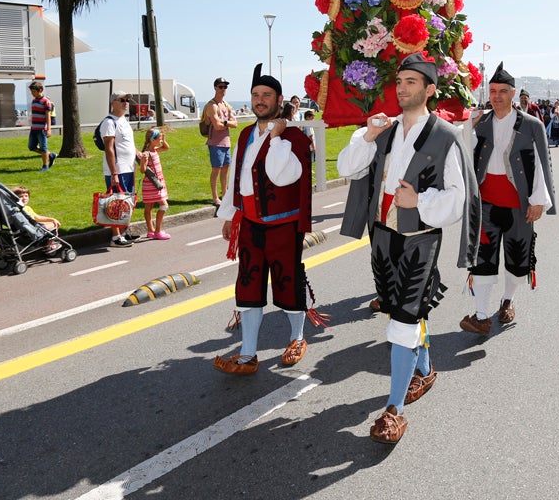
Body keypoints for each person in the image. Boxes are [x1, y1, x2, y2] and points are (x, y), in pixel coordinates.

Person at [337, 51, 480, 445]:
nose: (401, 89)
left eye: (411, 83)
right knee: (402, 307)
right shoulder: (382, 129)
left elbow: (458, 196)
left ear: (430, 90)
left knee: (401, 320)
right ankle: (426, 368)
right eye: (399, 82)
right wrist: (366, 136)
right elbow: (347, 168)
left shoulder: (446, 137)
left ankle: (394, 410)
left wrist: (420, 203)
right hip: (381, 236)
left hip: (419, 240)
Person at [215, 64, 315, 375]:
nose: (260, 100)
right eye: (256, 95)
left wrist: (276, 137)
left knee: (288, 281)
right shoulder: (245, 134)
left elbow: (279, 174)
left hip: (284, 225)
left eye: (266, 95)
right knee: (249, 283)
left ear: (279, 99)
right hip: (250, 224)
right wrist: (231, 215)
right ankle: (247, 354)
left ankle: (297, 337)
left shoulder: (294, 138)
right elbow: (237, 176)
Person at [462, 63, 554, 334]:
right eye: (492, 91)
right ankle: (480, 316)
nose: (497, 96)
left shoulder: (531, 125)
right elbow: (462, 151)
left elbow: (541, 163)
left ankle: (508, 301)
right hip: (486, 205)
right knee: (483, 258)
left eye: (503, 91)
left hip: (519, 206)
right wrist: (470, 125)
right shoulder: (481, 122)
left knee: (516, 257)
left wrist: (538, 200)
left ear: (513, 94)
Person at [100, 91, 140, 247]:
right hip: (118, 169)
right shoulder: (109, 122)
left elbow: (128, 144)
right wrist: (114, 172)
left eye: (127, 100)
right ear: (113, 103)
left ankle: (124, 232)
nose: (126, 102)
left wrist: (138, 154)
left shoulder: (124, 120)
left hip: (129, 167)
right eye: (122, 100)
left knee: (126, 201)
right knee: (115, 202)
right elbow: (109, 149)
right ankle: (115, 237)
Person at [204, 77, 238, 207]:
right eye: (220, 87)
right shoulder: (211, 106)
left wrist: (224, 122)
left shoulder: (226, 105)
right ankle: (215, 197)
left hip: (226, 142)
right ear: (215, 88)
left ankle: (225, 194)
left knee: (225, 170)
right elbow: (217, 126)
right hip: (215, 143)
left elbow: (235, 124)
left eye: (225, 87)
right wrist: (227, 123)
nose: (223, 89)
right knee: (216, 170)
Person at [12, 185, 63, 255]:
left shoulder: (27, 208)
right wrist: (51, 222)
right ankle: (49, 245)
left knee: (52, 223)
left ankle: (49, 242)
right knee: (53, 225)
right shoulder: (19, 210)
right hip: (31, 230)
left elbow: (37, 217)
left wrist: (52, 219)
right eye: (21, 196)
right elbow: (32, 221)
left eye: (26, 196)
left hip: (32, 226)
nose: (24, 198)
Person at [140, 128, 171, 240]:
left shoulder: (155, 150)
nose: (161, 140)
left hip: (156, 183)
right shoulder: (147, 153)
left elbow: (167, 147)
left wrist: (163, 140)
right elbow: (142, 170)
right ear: (152, 140)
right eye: (159, 139)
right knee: (163, 205)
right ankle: (157, 231)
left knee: (149, 207)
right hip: (153, 184)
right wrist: (143, 162)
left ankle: (151, 230)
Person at [27, 81, 57, 171]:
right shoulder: (34, 100)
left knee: (43, 148)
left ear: (40, 90)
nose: (32, 94)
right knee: (31, 147)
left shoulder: (46, 102)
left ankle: (45, 166)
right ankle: (51, 155)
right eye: (31, 92)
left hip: (42, 129)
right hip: (34, 128)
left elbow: (48, 116)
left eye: (34, 92)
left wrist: (48, 129)